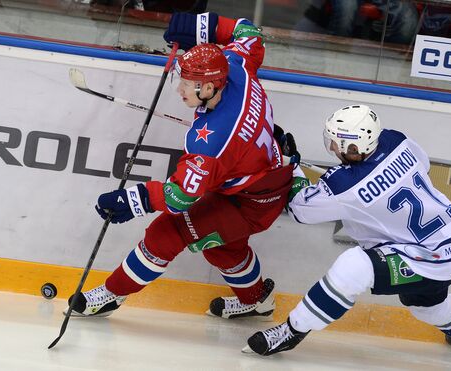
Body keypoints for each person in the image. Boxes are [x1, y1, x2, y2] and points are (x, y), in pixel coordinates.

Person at [67, 12, 302, 321]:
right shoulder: (236, 64)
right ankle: (258, 300)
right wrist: (203, 26)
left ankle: (111, 295)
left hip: (251, 201)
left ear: (210, 88)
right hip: (260, 181)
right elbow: (249, 32)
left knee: (167, 232)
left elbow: (181, 197)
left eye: (188, 85)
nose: (180, 90)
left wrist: (134, 200)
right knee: (223, 248)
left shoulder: (210, 144)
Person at [243, 104, 451, 356]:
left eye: (336, 142)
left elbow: (301, 209)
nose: (333, 147)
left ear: (354, 146)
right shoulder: (396, 140)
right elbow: (422, 165)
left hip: (428, 256)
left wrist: (293, 167)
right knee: (427, 307)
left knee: (354, 266)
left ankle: (292, 331)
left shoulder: (344, 184)